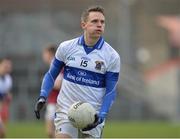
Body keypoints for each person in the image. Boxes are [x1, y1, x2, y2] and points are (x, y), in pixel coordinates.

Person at [34, 6, 121, 138]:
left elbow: (111, 91)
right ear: (83, 24)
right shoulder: (66, 47)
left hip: (93, 115)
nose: (99, 25)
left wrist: (102, 115)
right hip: (66, 111)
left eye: (102, 22)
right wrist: (43, 96)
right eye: (95, 21)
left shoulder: (112, 56)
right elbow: (51, 75)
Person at [42, 45, 63, 138]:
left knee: (52, 131)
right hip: (54, 101)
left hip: (56, 102)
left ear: (50, 53)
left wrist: (46, 83)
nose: (43, 56)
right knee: (52, 132)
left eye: (45, 54)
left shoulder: (55, 63)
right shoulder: (56, 63)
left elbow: (59, 84)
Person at [0, 58, 13, 138]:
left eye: (8, 65)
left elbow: (5, 94)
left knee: (2, 133)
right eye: (5, 65)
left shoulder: (8, 79)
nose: (7, 67)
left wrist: (7, 96)